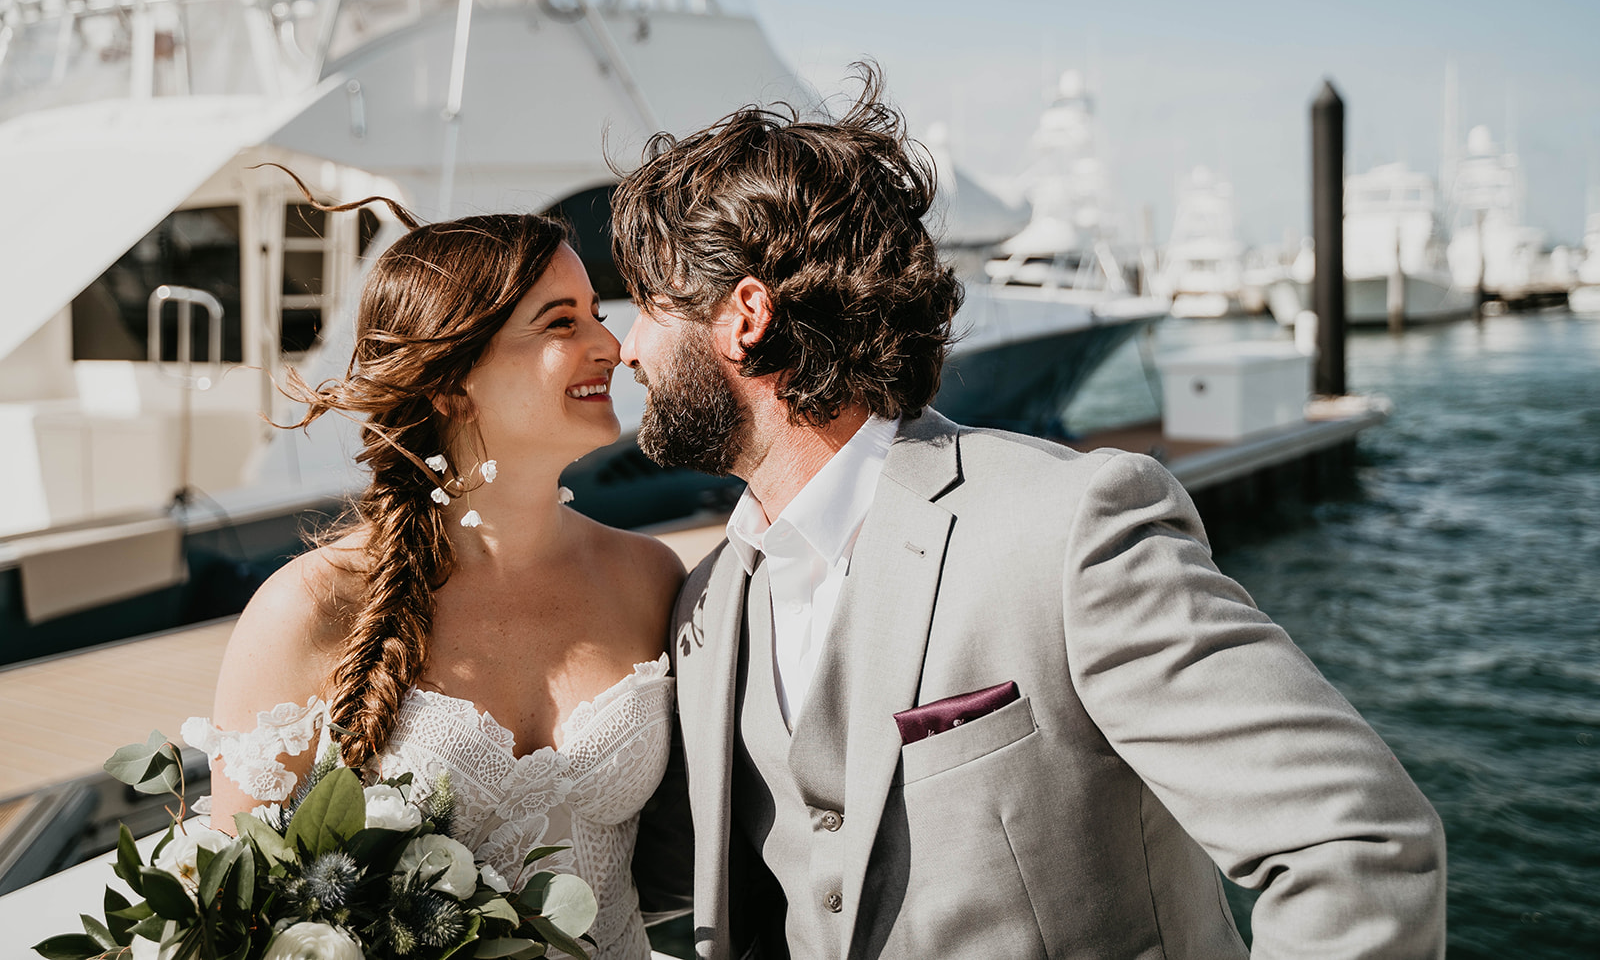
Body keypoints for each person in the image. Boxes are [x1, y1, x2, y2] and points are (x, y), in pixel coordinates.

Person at [613, 68, 1448, 958]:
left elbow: (1359, 845)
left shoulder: (1073, 529)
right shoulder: (705, 605)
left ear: (746, 315)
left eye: (652, 306)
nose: (629, 349)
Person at [188, 206, 686, 960]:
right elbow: (233, 918)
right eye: (560, 323)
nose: (610, 347)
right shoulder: (313, 608)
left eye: (595, 314)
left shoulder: (650, 578)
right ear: (452, 384)